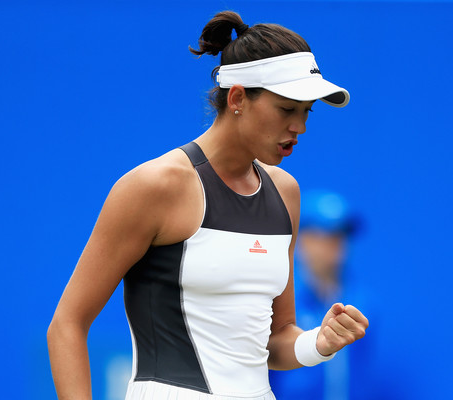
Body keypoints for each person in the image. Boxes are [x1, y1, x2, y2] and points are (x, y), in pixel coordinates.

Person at [47, 10, 368, 400]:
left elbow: (275, 341)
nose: (299, 127)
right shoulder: (154, 186)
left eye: (306, 112)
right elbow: (67, 324)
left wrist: (319, 341)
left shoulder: (286, 192)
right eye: (286, 109)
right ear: (237, 98)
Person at [269, 190, 362, 400]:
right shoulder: (280, 299)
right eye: (327, 236)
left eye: (342, 235)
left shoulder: (363, 303)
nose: (336, 245)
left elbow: (360, 374)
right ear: (304, 240)